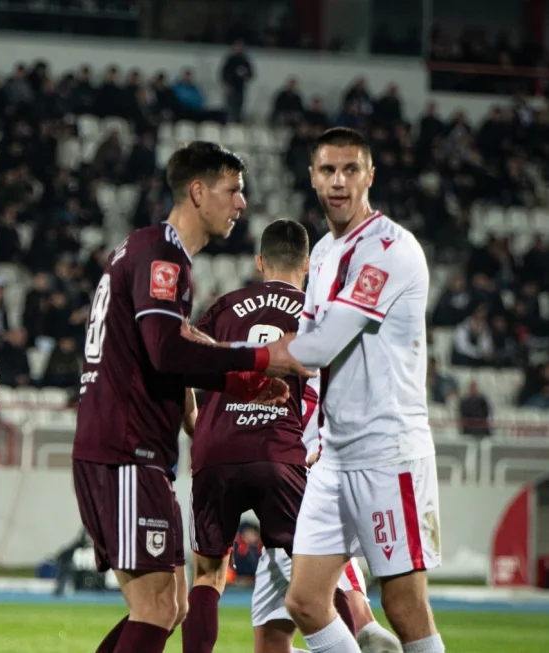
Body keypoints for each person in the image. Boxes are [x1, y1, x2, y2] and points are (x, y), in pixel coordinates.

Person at [69, 141, 310, 653]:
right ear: (198, 192)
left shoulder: (147, 248)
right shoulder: (163, 255)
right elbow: (165, 350)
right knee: (157, 607)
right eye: (233, 190)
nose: (242, 202)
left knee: (174, 603)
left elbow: (166, 345)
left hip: (127, 446)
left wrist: (226, 389)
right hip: (125, 448)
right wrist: (259, 358)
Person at [279, 127, 443, 653]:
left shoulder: (391, 248)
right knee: (305, 600)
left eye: (351, 170)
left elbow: (322, 344)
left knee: (404, 606)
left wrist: (231, 357)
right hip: (335, 456)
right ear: (312, 177)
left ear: (370, 176)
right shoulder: (324, 252)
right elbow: (305, 344)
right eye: (328, 170)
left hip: (387, 452)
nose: (339, 181)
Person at [180, 219, 313, 653]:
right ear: (308, 264)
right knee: (316, 576)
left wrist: (195, 424)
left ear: (259, 261)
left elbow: (183, 362)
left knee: (207, 575)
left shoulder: (225, 306)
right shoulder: (315, 311)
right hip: (279, 451)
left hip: (217, 447)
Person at [248, 376, 403, 653]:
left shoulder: (303, 380)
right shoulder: (321, 378)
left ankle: (363, 628)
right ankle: (363, 628)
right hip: (299, 505)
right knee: (273, 641)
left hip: (307, 501)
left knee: (351, 622)